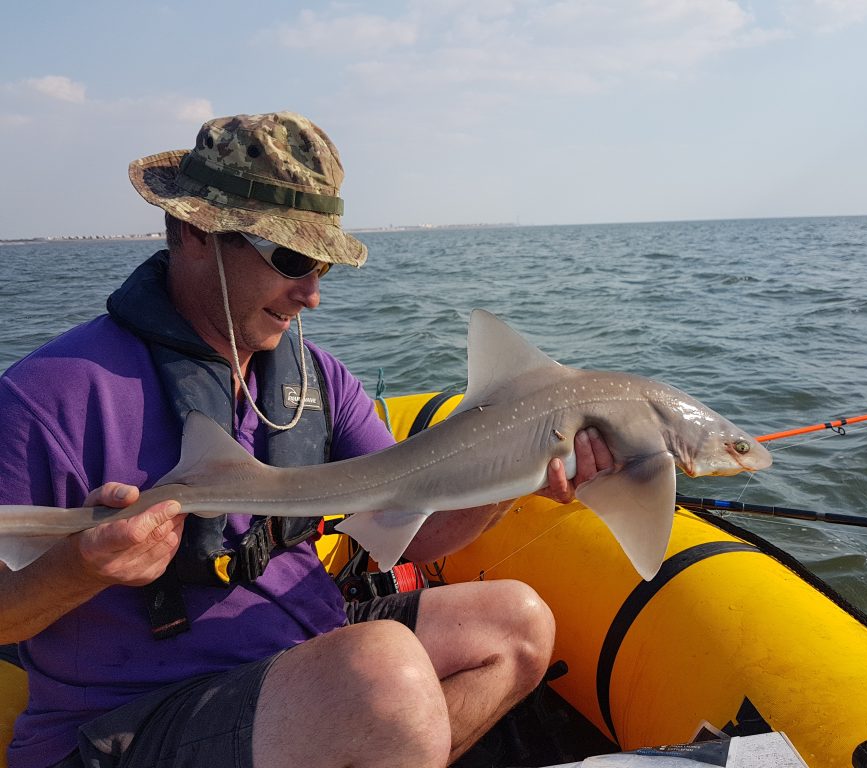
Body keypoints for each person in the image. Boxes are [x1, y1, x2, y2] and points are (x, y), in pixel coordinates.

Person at [0, 111, 612, 768]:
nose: (312, 295)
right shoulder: (52, 396)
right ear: (193, 232)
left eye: (323, 263)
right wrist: (82, 568)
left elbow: (408, 530)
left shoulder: (316, 381)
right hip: (130, 719)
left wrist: (515, 480)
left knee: (517, 624)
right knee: (386, 677)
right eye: (291, 257)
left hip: (301, 656)